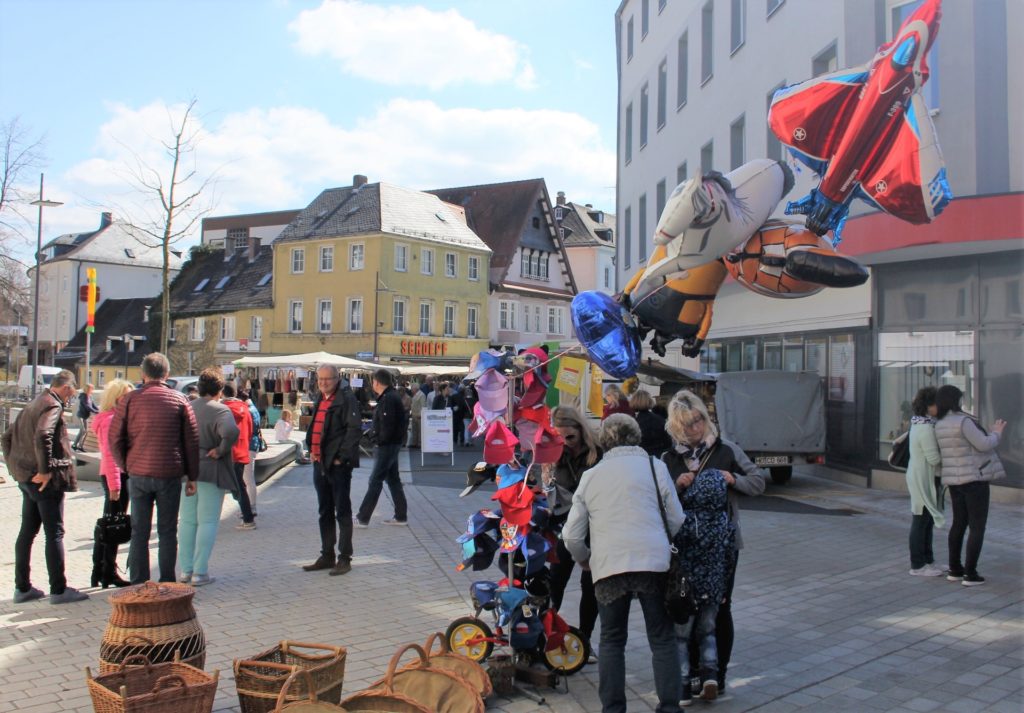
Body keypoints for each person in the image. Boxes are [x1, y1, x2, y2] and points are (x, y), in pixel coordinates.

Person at [563, 413, 685, 713]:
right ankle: (670, 706)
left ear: (604, 440)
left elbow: (571, 535)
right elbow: (677, 518)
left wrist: (585, 560)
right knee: (662, 638)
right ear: (637, 436)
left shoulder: (592, 476)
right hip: (654, 563)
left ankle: (614, 708)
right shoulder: (656, 468)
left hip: (609, 565)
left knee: (612, 640)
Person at [662, 390, 765, 699]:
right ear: (676, 428)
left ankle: (715, 676)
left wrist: (732, 479)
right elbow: (657, 501)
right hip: (683, 550)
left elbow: (758, 482)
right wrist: (676, 485)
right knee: (685, 609)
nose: (695, 429)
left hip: (723, 546)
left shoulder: (727, 450)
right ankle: (690, 673)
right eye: (686, 425)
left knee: (719, 609)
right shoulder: (669, 459)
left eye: (698, 421)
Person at [111, 353, 199, 584]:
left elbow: (114, 438)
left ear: (143, 374)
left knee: (139, 531)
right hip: (169, 472)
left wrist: (126, 466)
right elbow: (191, 440)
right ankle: (167, 581)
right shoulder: (180, 400)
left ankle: (139, 582)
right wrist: (192, 476)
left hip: (138, 473)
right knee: (168, 530)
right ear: (167, 375)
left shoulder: (129, 400)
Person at [3, 369, 89, 604]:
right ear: (67, 387)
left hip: (26, 479)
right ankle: (59, 590)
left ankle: (22, 587)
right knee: (54, 533)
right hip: (42, 481)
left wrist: (15, 468)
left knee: (27, 532)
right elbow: (43, 435)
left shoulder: (33, 404)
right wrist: (44, 471)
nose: (73, 397)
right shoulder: (52, 405)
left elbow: (6, 437)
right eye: (73, 391)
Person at [934, 384, 1007, 587]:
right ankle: (970, 574)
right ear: (955, 400)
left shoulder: (939, 424)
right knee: (977, 527)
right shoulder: (963, 421)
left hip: (954, 482)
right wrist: (997, 433)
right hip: (974, 480)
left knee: (958, 523)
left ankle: (955, 570)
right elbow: (983, 444)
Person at [544, 406, 602, 659]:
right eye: (561, 438)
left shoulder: (597, 452)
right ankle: (547, 634)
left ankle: (585, 640)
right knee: (555, 580)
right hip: (564, 526)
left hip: (595, 526)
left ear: (580, 430)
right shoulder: (556, 452)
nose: (567, 442)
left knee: (590, 585)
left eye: (570, 437)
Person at [674, 462, 734, 703]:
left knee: (681, 637)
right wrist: (723, 587)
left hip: (687, 589)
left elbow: (675, 551)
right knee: (707, 632)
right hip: (713, 588)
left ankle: (683, 688)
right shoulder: (724, 522)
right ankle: (710, 674)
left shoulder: (685, 520)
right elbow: (729, 559)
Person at [178, 368, 240, 586]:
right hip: (211, 470)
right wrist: (221, 450)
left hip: (188, 471)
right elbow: (231, 432)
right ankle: (200, 571)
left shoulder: (187, 407)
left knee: (186, 521)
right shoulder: (220, 411)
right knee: (208, 521)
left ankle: (185, 570)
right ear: (219, 390)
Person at [302, 364, 363, 576]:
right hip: (320, 462)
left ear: (337, 378)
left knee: (343, 512)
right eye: (320, 379)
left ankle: (344, 557)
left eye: (328, 379)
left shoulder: (346, 398)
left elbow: (354, 430)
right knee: (324, 511)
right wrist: (312, 448)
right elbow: (317, 427)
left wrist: (341, 458)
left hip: (336, 465)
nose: (323, 383)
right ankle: (327, 555)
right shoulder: (321, 397)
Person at [90, 379, 134, 589]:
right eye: (127, 395)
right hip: (115, 477)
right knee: (114, 526)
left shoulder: (111, 418)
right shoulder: (111, 420)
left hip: (112, 476)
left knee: (108, 523)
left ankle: (99, 570)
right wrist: (115, 486)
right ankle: (108, 571)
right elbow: (110, 455)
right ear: (118, 398)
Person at [356, 368, 409, 527]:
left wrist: (377, 440)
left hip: (386, 446)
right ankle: (401, 516)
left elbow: (387, 426)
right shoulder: (390, 397)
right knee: (393, 480)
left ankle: (362, 518)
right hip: (391, 444)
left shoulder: (388, 399)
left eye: (373, 381)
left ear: (377, 382)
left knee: (375, 480)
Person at [906, 386, 945, 577]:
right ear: (929, 406)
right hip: (923, 479)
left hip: (921, 476)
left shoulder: (919, 423)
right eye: (937, 403)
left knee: (926, 520)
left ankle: (928, 561)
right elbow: (934, 459)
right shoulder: (925, 428)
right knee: (921, 521)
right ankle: (918, 565)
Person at [222, 384, 257, 530]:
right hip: (242, 450)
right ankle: (247, 513)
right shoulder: (245, 408)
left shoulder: (223, 409)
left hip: (229, 452)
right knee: (240, 485)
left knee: (238, 487)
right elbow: (249, 430)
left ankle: (248, 517)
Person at [630, 390, 672, 457]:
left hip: (641, 457)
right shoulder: (660, 420)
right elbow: (668, 443)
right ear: (650, 401)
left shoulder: (632, 423)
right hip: (658, 457)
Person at [243, 390, 261, 517]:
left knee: (248, 479)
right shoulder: (253, 408)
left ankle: (252, 506)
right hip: (253, 444)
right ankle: (251, 505)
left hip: (249, 445)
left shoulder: (248, 410)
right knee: (249, 479)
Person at [73, 383, 99, 451]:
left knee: (85, 431)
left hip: (85, 416)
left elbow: (93, 405)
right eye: (91, 388)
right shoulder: (83, 396)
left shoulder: (90, 396)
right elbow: (87, 406)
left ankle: (78, 446)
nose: (92, 390)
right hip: (81, 415)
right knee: (83, 430)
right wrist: (96, 412)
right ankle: (76, 445)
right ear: (87, 389)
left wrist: (99, 410)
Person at [407, 383, 425, 448]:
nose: (411, 390)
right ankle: (414, 443)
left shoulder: (421, 395)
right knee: (414, 429)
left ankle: (419, 443)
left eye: (412, 388)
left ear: (415, 389)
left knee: (420, 430)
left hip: (419, 415)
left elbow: (423, 406)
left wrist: (421, 414)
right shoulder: (415, 394)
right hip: (414, 415)